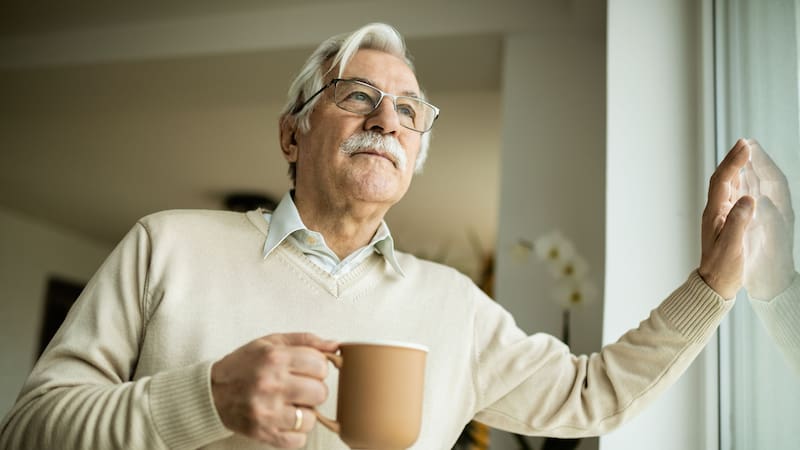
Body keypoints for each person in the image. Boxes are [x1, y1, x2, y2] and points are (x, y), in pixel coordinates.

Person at [0, 22, 797, 450]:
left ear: (416, 153)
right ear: (291, 137)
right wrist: (203, 399)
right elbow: (32, 430)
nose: (388, 119)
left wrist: (715, 285)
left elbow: (594, 396)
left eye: (409, 112)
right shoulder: (163, 246)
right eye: (356, 97)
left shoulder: (454, 305)